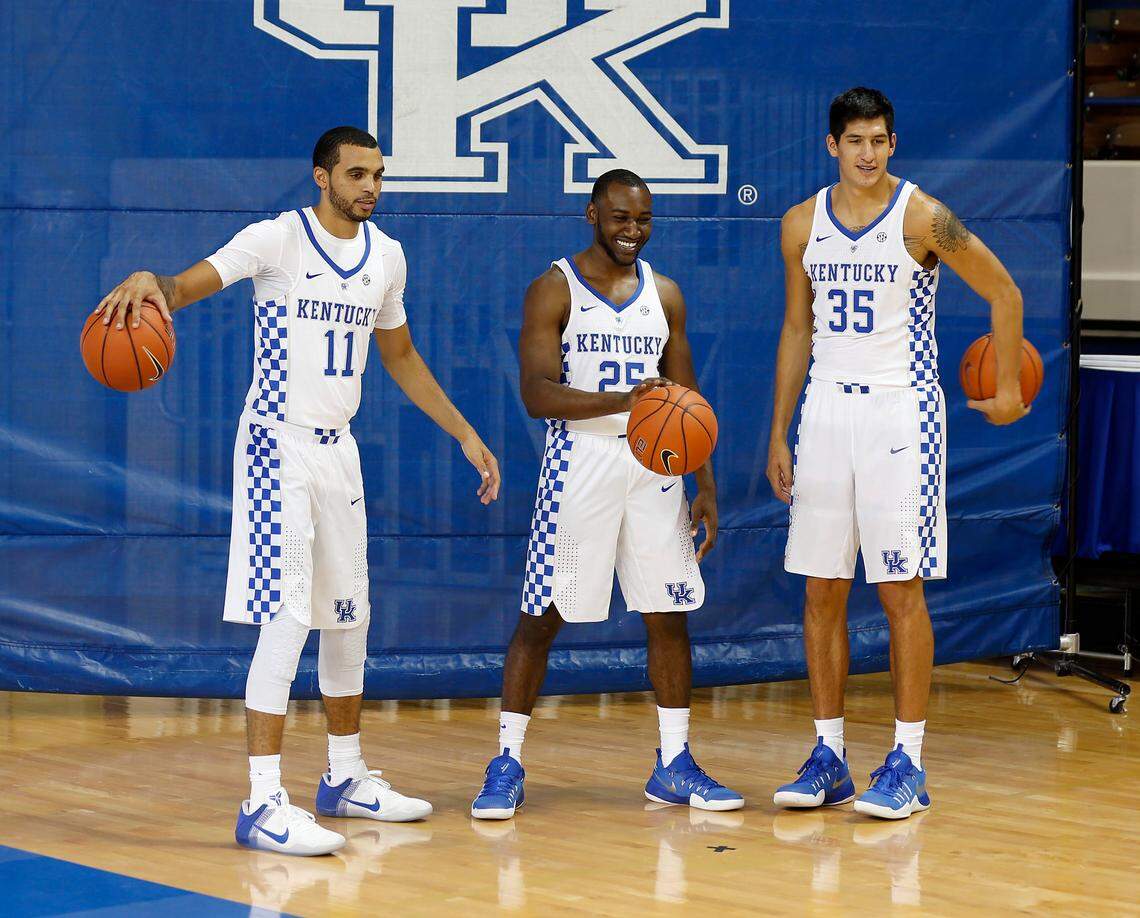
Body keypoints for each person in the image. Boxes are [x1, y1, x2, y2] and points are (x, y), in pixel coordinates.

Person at [95, 126, 501, 855]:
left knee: (349, 617)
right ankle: (261, 802)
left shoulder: (388, 257)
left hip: (338, 452)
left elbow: (400, 355)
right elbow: (184, 287)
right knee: (286, 617)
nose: (370, 186)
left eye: (378, 174)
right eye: (356, 174)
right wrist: (146, 279)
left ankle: (343, 778)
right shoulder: (277, 240)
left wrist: (464, 433)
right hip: (274, 445)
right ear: (322, 177)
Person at [766, 87, 1028, 819]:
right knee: (821, 588)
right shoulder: (798, 225)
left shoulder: (924, 216)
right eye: (855, 140)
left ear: (892, 144)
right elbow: (796, 331)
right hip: (824, 413)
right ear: (831, 146)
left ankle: (908, 762)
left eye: (879, 139)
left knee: (898, 589)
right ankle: (829, 755)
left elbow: (1003, 291)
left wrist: (1007, 391)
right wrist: (779, 431)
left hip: (900, 414)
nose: (868, 152)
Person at [469, 169, 743, 821]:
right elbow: (536, 393)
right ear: (592, 214)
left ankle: (674, 763)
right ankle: (506, 761)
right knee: (543, 615)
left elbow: (687, 397)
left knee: (667, 612)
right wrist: (621, 403)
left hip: (656, 471)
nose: (633, 231)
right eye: (621, 217)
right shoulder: (554, 288)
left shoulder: (665, 295)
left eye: (643, 220)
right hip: (581, 465)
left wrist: (704, 486)